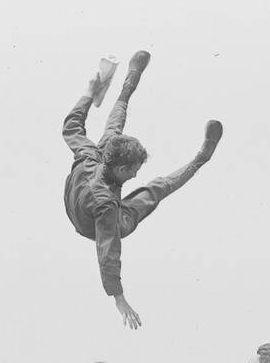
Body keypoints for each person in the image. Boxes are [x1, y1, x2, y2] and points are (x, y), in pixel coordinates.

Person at [61, 51, 224, 330]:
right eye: (134, 170)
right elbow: (107, 251)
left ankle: (129, 82)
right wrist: (119, 297)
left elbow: (71, 125)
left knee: (113, 126)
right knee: (157, 188)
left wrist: (89, 93)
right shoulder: (107, 207)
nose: (137, 174)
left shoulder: (93, 153)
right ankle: (201, 159)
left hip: (81, 195)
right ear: (122, 169)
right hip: (88, 221)